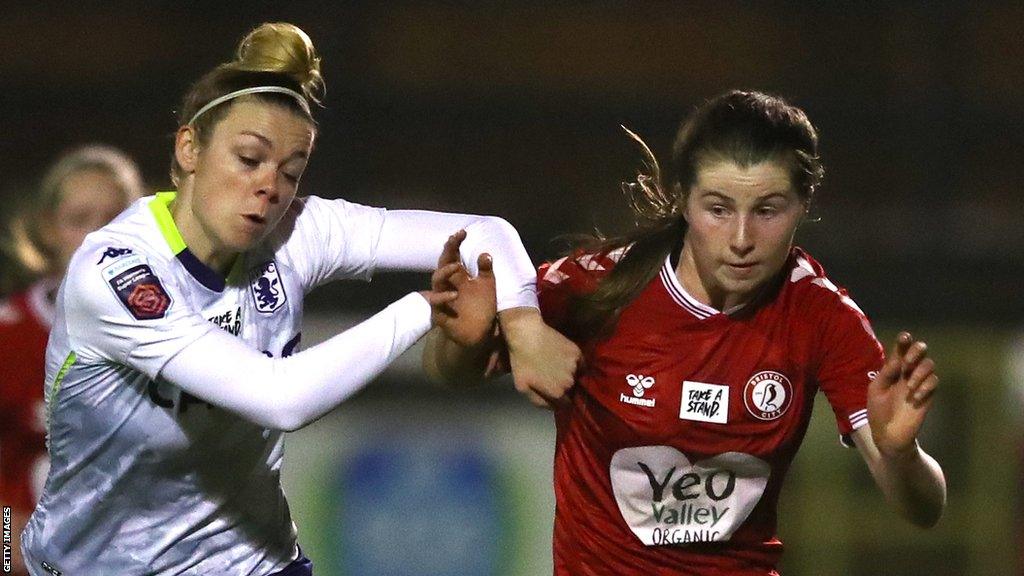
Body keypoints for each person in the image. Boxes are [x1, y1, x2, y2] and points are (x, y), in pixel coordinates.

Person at [20, 22, 579, 576]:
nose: (270, 186)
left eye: (291, 170)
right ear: (190, 147)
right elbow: (279, 399)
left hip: (252, 563)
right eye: (248, 158)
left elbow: (486, 230)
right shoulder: (118, 272)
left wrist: (524, 323)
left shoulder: (296, 229)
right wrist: (421, 308)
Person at [425, 90, 947, 575]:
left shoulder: (822, 316)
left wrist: (902, 454)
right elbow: (450, 373)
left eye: (767, 210)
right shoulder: (595, 287)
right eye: (718, 209)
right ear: (683, 200)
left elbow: (923, 510)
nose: (741, 239)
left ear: (804, 205)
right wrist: (460, 343)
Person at [0, 144, 146, 576]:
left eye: (112, 220)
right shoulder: (8, 335)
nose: (95, 238)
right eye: (78, 221)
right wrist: (9, 547)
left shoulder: (171, 334)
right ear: (48, 229)